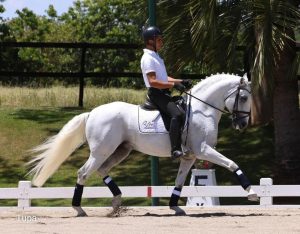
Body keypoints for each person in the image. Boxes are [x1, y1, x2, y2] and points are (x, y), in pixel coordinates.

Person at [140, 26, 191, 159]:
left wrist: (181, 81)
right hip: (157, 94)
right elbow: (153, 81)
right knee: (177, 114)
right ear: (151, 41)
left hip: (164, 93)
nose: (162, 42)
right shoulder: (148, 58)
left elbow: (164, 78)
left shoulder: (156, 56)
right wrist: (174, 84)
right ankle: (175, 149)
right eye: (159, 40)